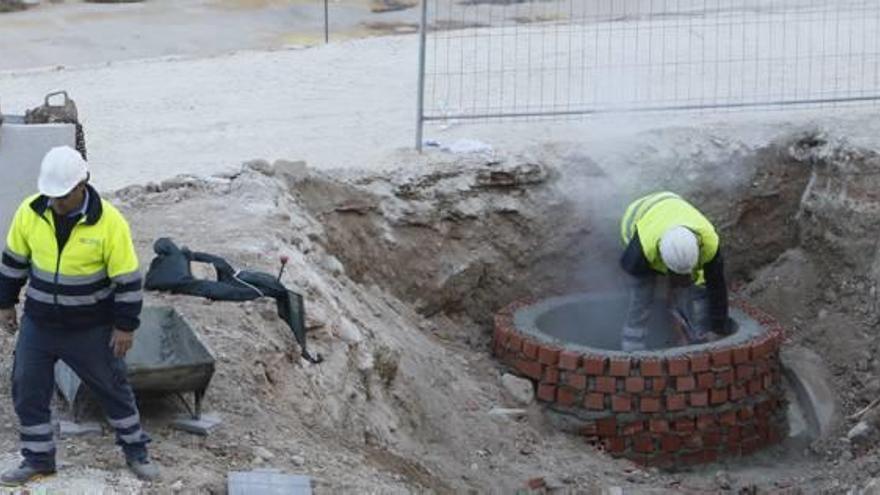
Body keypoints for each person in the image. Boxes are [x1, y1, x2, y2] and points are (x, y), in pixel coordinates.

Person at [0, 146, 159, 485]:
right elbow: (12, 263)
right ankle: (38, 458)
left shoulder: (110, 223)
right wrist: (5, 302)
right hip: (39, 324)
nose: (56, 202)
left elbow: (128, 281)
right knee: (27, 387)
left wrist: (125, 326)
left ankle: (136, 453)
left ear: (82, 184)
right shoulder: (30, 212)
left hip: (90, 328)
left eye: (63, 195)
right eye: (52, 195)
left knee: (113, 389)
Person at [619, 191, 730, 351]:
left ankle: (697, 336)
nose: (681, 279)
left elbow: (717, 285)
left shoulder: (710, 243)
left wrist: (718, 329)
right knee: (643, 293)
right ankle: (632, 345)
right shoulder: (642, 250)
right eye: (677, 275)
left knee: (698, 288)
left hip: (673, 206)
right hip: (638, 216)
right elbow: (632, 275)